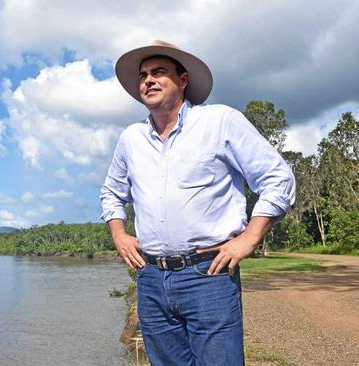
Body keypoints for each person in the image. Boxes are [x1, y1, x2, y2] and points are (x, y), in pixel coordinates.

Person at [100, 40, 296, 365]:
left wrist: (250, 237)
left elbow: (278, 178)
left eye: (158, 72)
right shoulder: (130, 139)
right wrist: (118, 234)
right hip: (150, 276)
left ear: (183, 80)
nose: (147, 80)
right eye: (143, 75)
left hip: (209, 273)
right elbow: (112, 192)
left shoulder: (219, 121)